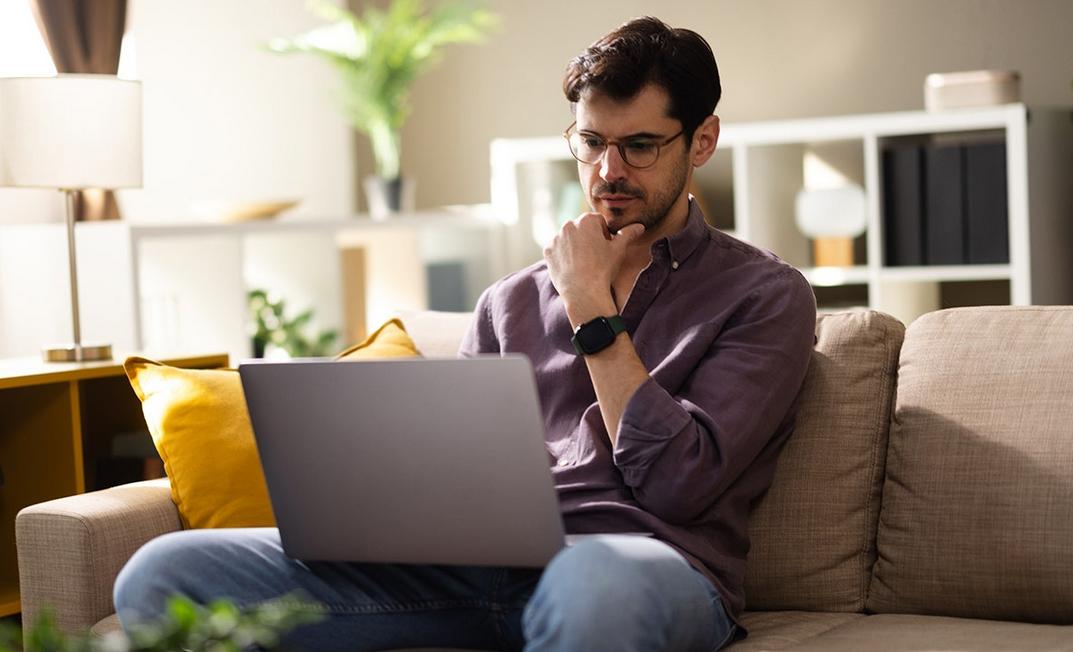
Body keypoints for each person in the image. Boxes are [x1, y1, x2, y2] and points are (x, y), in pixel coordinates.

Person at [114, 16, 816, 652]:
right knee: (164, 572)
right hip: (472, 570)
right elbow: (458, 477)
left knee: (592, 582)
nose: (608, 172)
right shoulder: (508, 301)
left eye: (638, 146)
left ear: (701, 141)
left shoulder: (763, 295)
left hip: (639, 561)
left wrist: (587, 308)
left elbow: (676, 487)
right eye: (591, 143)